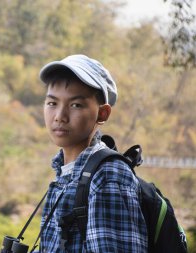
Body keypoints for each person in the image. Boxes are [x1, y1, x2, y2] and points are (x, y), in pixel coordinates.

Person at [38, 54, 148, 252]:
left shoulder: (107, 176)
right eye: (52, 103)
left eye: (76, 105)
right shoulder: (67, 171)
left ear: (102, 113)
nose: (60, 117)